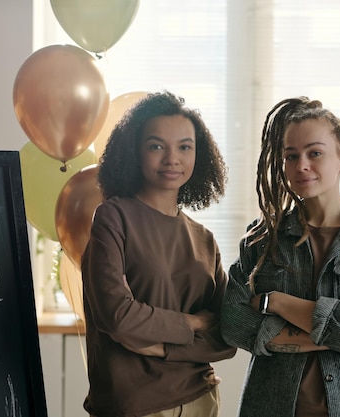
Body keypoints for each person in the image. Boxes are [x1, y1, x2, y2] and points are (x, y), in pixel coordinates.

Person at [221, 97, 340, 417]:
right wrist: (339, 332)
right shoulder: (261, 237)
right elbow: (233, 323)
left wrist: (274, 302)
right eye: (291, 156)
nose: (301, 165)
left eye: (314, 153)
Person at [81, 91, 237, 417]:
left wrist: (164, 348)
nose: (172, 159)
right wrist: (193, 322)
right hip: (133, 405)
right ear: (134, 152)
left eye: (184, 147)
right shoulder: (113, 218)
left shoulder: (204, 239)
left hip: (201, 398)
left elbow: (226, 335)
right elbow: (118, 317)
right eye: (156, 146)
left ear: (200, 155)